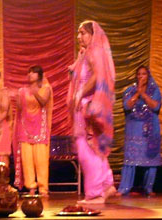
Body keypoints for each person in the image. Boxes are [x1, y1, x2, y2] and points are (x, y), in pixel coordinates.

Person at [67, 20, 116, 204]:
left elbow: (97, 76)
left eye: (83, 33)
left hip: (87, 106)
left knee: (85, 149)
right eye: (78, 33)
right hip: (88, 106)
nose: (79, 37)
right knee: (94, 146)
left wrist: (80, 92)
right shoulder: (87, 53)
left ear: (92, 35)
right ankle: (107, 184)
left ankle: (95, 193)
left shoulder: (94, 52)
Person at [117, 66, 161, 196]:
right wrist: (137, 93)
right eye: (139, 74)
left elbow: (156, 106)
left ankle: (149, 188)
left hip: (149, 130)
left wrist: (143, 94)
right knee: (130, 161)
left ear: (148, 76)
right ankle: (124, 188)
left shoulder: (155, 90)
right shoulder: (130, 90)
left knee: (151, 161)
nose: (141, 76)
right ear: (136, 76)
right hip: (134, 129)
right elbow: (127, 105)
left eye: (144, 74)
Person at [13, 65, 53, 197]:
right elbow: (19, 108)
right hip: (25, 128)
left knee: (41, 161)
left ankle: (43, 189)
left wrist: (35, 91)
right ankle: (31, 188)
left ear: (39, 75)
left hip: (40, 129)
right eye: (29, 72)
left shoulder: (45, 88)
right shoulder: (23, 91)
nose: (30, 74)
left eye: (33, 73)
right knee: (27, 161)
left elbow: (43, 102)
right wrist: (15, 97)